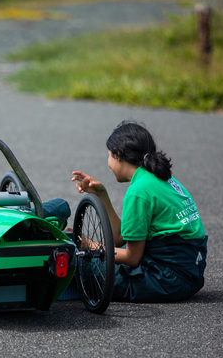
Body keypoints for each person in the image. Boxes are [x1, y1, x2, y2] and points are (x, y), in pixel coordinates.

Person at [72, 120, 207, 302]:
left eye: (109, 156)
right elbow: (120, 237)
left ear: (118, 154)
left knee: (79, 264)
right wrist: (102, 195)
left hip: (167, 279)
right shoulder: (160, 178)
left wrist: (86, 245)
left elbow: (131, 257)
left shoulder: (138, 191)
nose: (108, 163)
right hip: (191, 273)